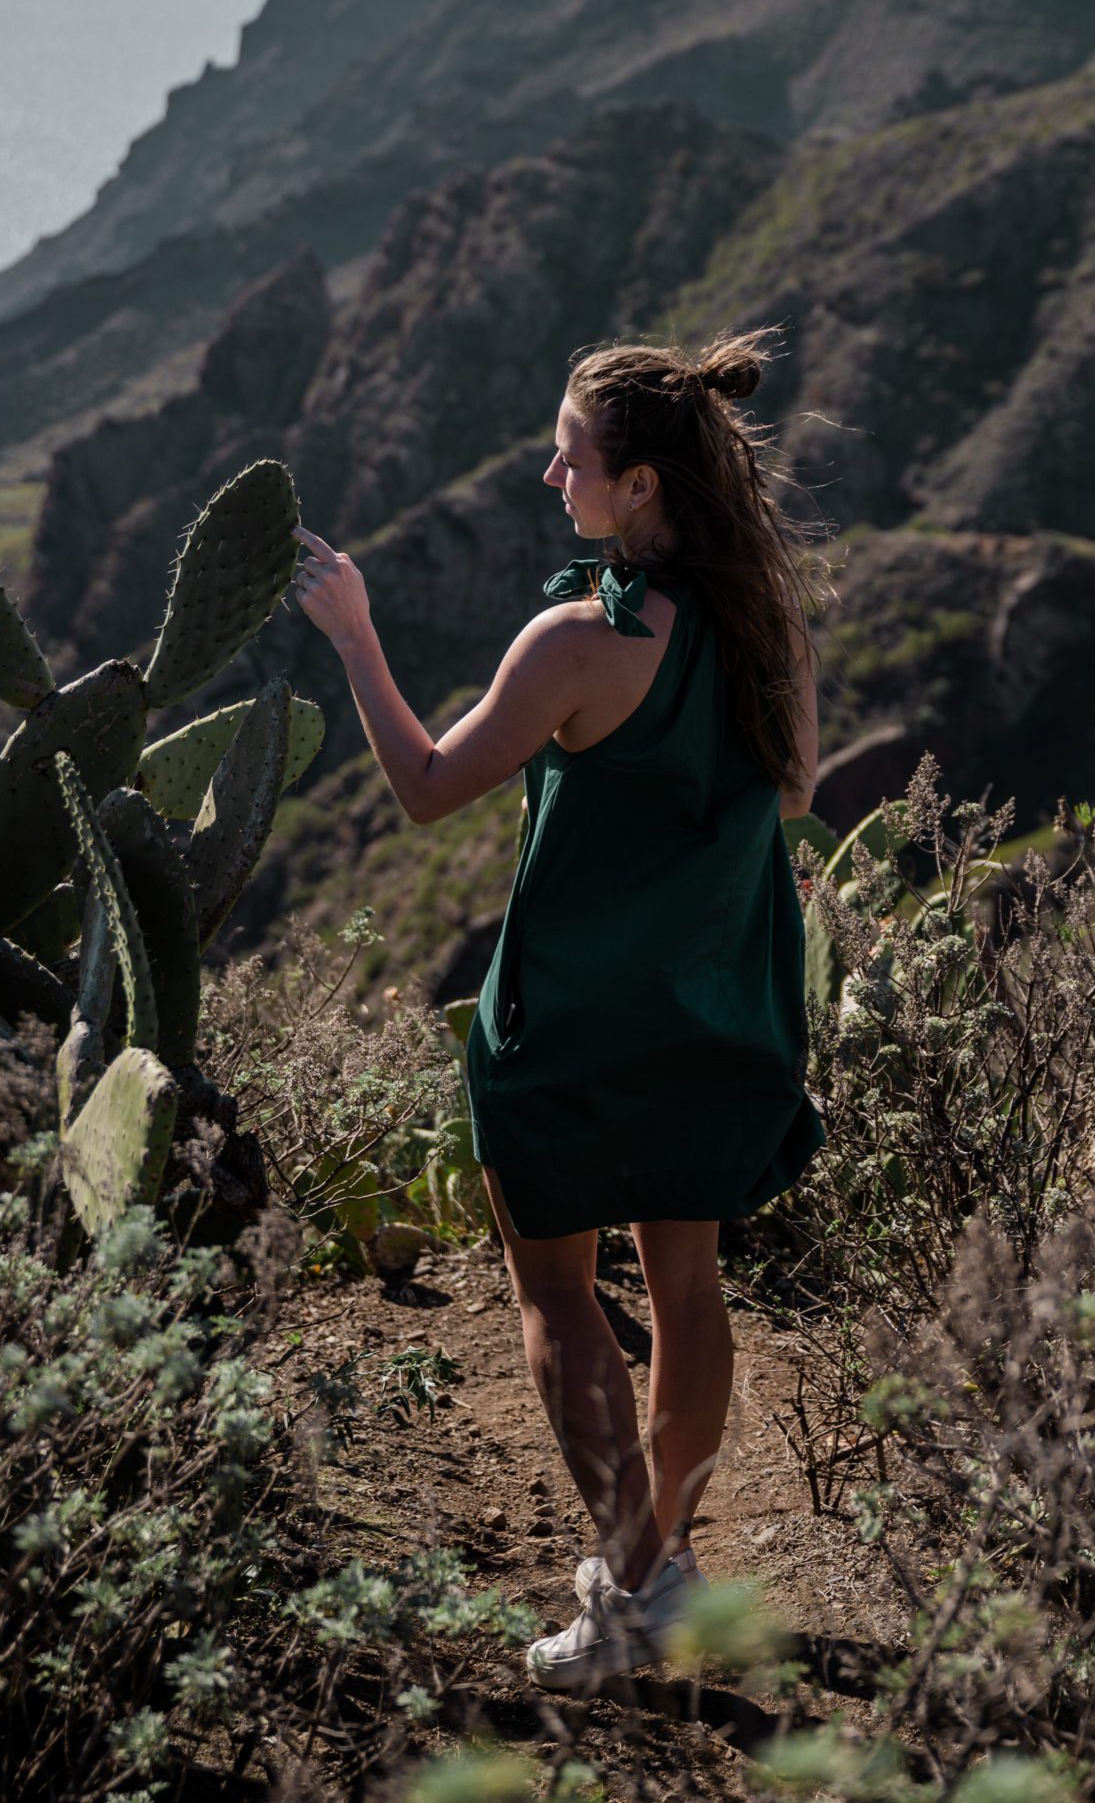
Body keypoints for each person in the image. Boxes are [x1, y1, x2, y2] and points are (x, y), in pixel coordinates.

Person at [290, 324, 831, 1691]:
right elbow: (780, 801)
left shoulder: (581, 642)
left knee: (555, 1296)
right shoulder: (757, 628)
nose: (551, 475)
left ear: (640, 484)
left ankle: (633, 1601)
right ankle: (662, 1572)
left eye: (574, 457)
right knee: (690, 1284)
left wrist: (354, 635)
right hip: (720, 1005)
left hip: (577, 1023)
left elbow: (420, 787)